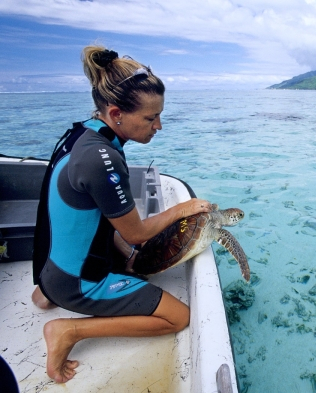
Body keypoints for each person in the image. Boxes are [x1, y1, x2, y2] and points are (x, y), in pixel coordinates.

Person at [30, 45, 212, 384]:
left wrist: (127, 256)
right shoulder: (102, 159)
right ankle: (68, 330)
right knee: (179, 317)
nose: (158, 125)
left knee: (133, 267)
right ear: (116, 113)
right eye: (149, 118)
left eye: (159, 114)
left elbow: (91, 215)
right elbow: (137, 234)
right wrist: (184, 208)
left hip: (49, 268)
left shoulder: (82, 134)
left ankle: (49, 293)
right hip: (80, 281)